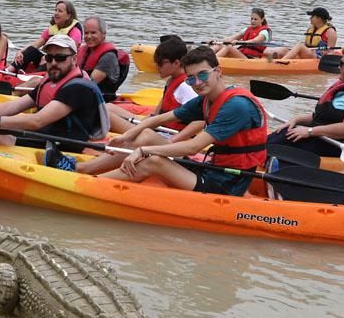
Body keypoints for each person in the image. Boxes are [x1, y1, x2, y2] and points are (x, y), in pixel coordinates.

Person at [78, 46, 267, 196]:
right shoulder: (207, 100)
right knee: (146, 135)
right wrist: (128, 135)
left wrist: (143, 151)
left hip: (227, 182)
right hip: (212, 168)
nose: (198, 83)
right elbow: (162, 118)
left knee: (153, 161)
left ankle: (90, 184)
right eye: (191, 79)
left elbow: (193, 147)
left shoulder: (236, 106)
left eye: (202, 75)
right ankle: (84, 169)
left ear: (218, 71)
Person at [78, 35, 199, 176]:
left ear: (177, 63)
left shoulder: (185, 87)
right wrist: (144, 121)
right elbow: (158, 112)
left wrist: (174, 140)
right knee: (108, 108)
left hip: (168, 137)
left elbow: (199, 121)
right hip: (159, 130)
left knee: (115, 119)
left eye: (161, 63)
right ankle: (86, 143)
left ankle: (85, 165)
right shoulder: (172, 80)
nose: (157, 66)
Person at [0, 34, 108, 155]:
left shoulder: (78, 87)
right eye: (49, 58)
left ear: (73, 59)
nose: (53, 62)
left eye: (60, 57)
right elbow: (15, 105)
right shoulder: (51, 80)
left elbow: (37, 121)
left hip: (60, 148)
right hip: (43, 138)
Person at [268, 43, 344, 157]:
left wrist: (310, 131)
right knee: (281, 135)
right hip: (325, 138)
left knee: (276, 146)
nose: (338, 66)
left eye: (342, 63)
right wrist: (296, 120)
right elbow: (323, 118)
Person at [12, 1, 82, 72]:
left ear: (68, 16)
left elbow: (69, 52)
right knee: (31, 50)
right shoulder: (52, 29)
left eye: (60, 11)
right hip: (50, 58)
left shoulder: (75, 31)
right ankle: (10, 70)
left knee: (48, 59)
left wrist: (47, 57)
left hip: (63, 62)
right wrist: (20, 52)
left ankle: (36, 77)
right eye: (55, 10)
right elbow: (35, 44)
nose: (56, 13)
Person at [75, 16, 129, 101]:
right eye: (86, 33)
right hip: (84, 95)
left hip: (101, 100)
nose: (89, 36)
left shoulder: (108, 57)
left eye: (93, 33)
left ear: (103, 34)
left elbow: (90, 83)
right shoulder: (83, 50)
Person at [269, 8, 337, 60]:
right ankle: (277, 58)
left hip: (318, 56)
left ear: (319, 18)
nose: (310, 18)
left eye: (312, 16)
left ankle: (282, 61)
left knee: (299, 45)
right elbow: (307, 45)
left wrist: (327, 53)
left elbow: (331, 51)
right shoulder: (311, 29)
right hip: (309, 53)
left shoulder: (330, 32)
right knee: (285, 49)